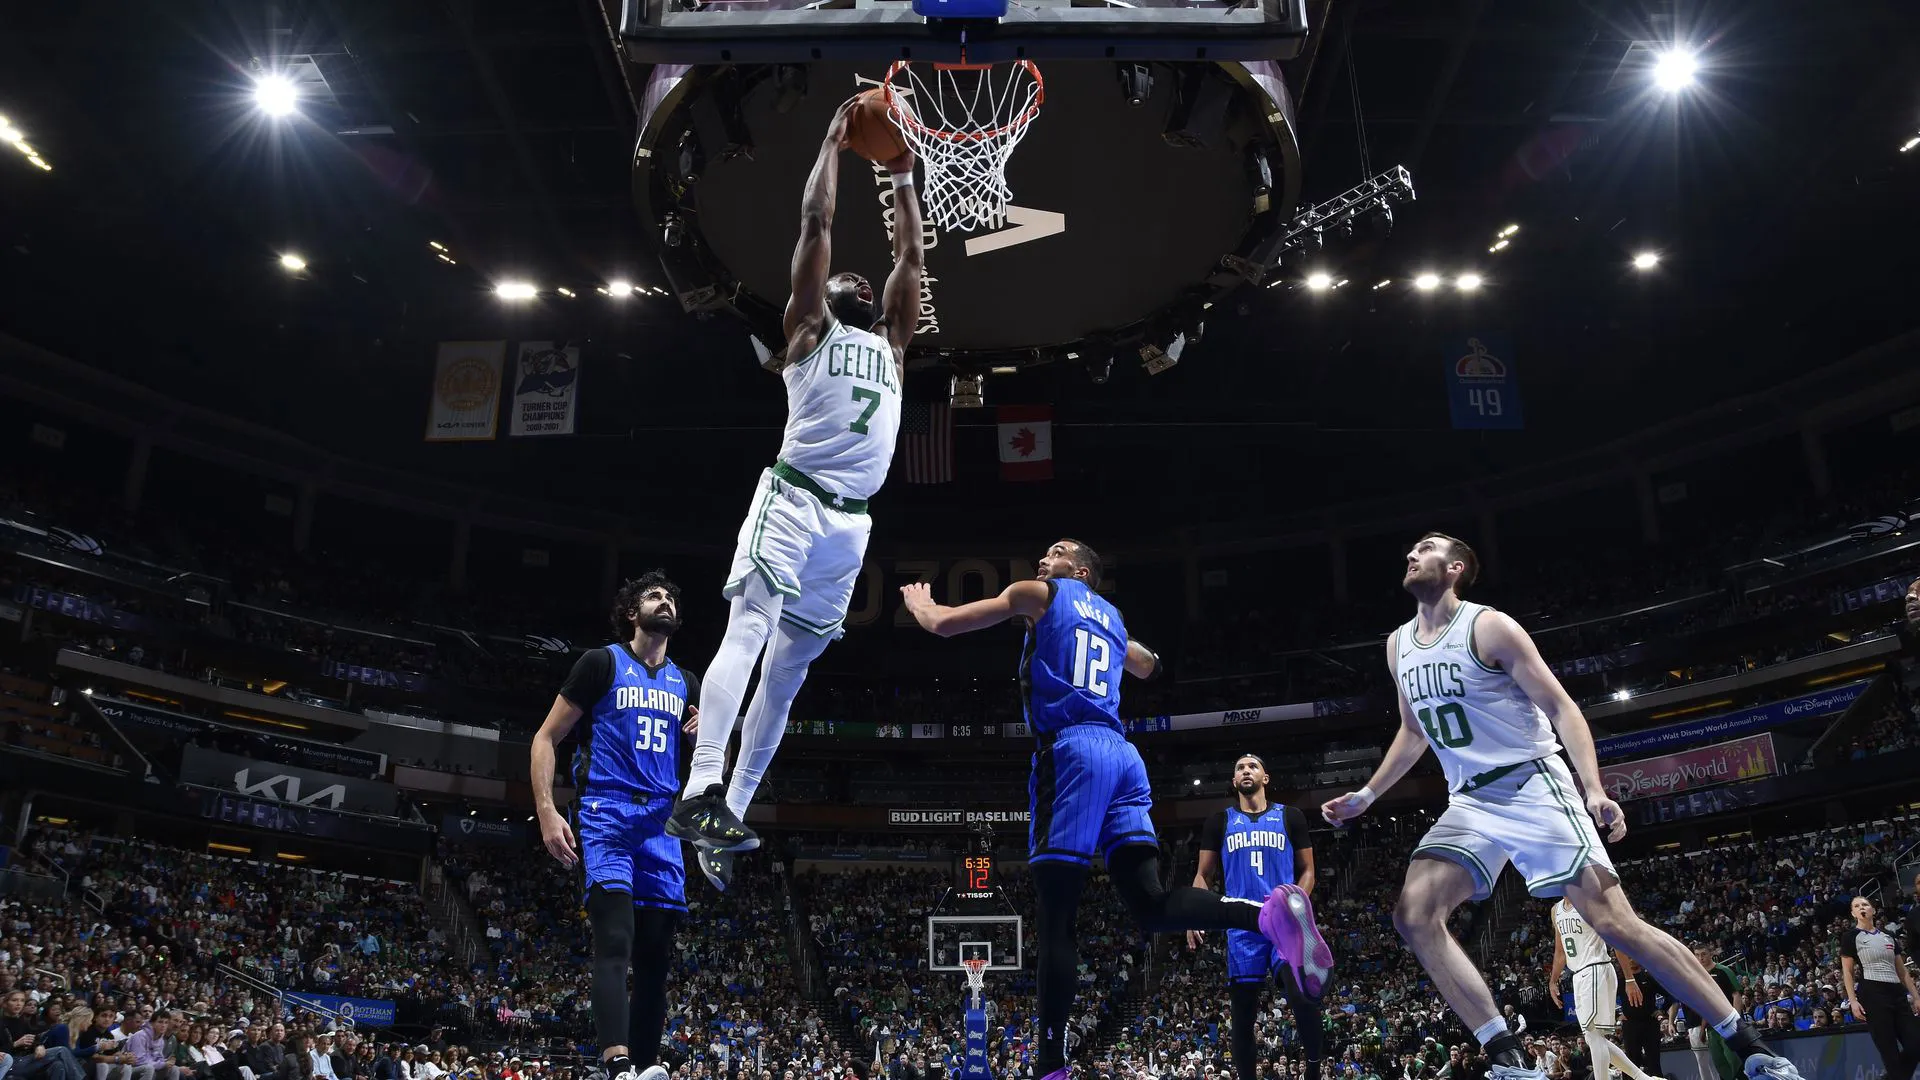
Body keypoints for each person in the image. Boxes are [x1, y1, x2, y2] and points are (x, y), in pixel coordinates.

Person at [1320, 533, 1804, 1080]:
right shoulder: (1397, 644)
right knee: (1413, 914)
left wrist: (1593, 788)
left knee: (1614, 921)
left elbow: (1562, 707)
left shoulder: (1488, 627)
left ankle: (1748, 1042)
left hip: (1531, 783)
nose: (1411, 553)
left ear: (1455, 567)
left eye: (1425, 547)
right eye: (1410, 548)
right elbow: (1413, 730)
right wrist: (1367, 794)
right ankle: (1507, 1056)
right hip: (1471, 800)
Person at [900, 538, 1310, 1080]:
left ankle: (1051, 1068)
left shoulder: (1039, 593)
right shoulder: (1114, 620)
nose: (1044, 556)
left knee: (1056, 920)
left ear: (1083, 571)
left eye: (1058, 550)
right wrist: (1114, 638)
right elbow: (1148, 666)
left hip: (1073, 753)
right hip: (1125, 759)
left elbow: (946, 625)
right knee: (1152, 905)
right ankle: (1262, 915)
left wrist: (919, 605)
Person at [669, 96, 925, 878]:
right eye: (846, 274)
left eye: (861, 275)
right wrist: (831, 141)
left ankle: (730, 819)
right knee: (747, 631)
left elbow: (910, 261)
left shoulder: (893, 340)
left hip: (851, 528)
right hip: (795, 496)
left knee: (786, 679)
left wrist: (906, 176)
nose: (853, 275)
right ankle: (703, 782)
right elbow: (816, 226)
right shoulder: (809, 330)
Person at [532, 572, 700, 1080]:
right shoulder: (601, 663)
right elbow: (545, 738)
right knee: (616, 940)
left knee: (655, 957)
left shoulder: (688, 682)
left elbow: (714, 760)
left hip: (663, 824)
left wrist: (708, 735)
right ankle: (617, 1062)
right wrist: (546, 809)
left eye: (671, 596)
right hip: (607, 813)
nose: (665, 601)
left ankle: (646, 1068)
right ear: (633, 611)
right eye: (654, 595)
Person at [1187, 754, 1331, 1080]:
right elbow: (1202, 876)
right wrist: (1196, 913)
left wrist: (1298, 908)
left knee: (1301, 994)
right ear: (1234, 781)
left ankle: (1313, 1069)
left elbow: (1308, 871)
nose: (1245, 771)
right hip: (1241, 926)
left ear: (1265, 777)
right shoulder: (1219, 822)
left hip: (1283, 924)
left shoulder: (1290, 817)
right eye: (1239, 768)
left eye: (1252, 766)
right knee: (1243, 1017)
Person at [1545, 900, 1662, 1080]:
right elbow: (1560, 952)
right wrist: (1553, 980)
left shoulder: (1589, 902)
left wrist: (1629, 978)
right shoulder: (1556, 910)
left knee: (1593, 1036)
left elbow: (1615, 940)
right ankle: (1643, 1078)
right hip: (1579, 974)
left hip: (1595, 968)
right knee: (1596, 1038)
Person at [1840, 895, 1920, 1080]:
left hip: (1897, 994)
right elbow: (1848, 972)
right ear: (1853, 913)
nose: (1862, 907)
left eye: (1865, 904)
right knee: (1889, 1051)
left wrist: (1916, 997)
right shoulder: (1850, 937)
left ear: (1873, 910)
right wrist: (1853, 1001)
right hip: (1872, 994)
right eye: (1857, 906)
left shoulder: (1888, 936)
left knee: (1915, 1044)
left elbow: (1903, 972)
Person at [1615, 953, 1663, 1076]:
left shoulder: (1649, 977)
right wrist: (1616, 1015)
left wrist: (1661, 1010)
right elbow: (1606, 998)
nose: (1631, 960)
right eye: (1628, 957)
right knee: (1631, 1062)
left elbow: (1669, 996)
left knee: (1654, 1061)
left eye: (1632, 956)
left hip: (1650, 1023)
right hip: (1630, 1024)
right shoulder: (1620, 980)